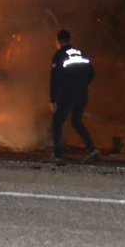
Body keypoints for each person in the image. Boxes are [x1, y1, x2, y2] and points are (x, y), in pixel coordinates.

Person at [49, 29, 100, 164]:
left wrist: (53, 99)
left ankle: (58, 156)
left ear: (58, 42)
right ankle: (92, 150)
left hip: (68, 94)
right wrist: (82, 85)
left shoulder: (59, 55)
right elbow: (92, 73)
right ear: (70, 40)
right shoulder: (81, 53)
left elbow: (55, 79)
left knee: (57, 123)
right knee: (76, 121)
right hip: (82, 94)